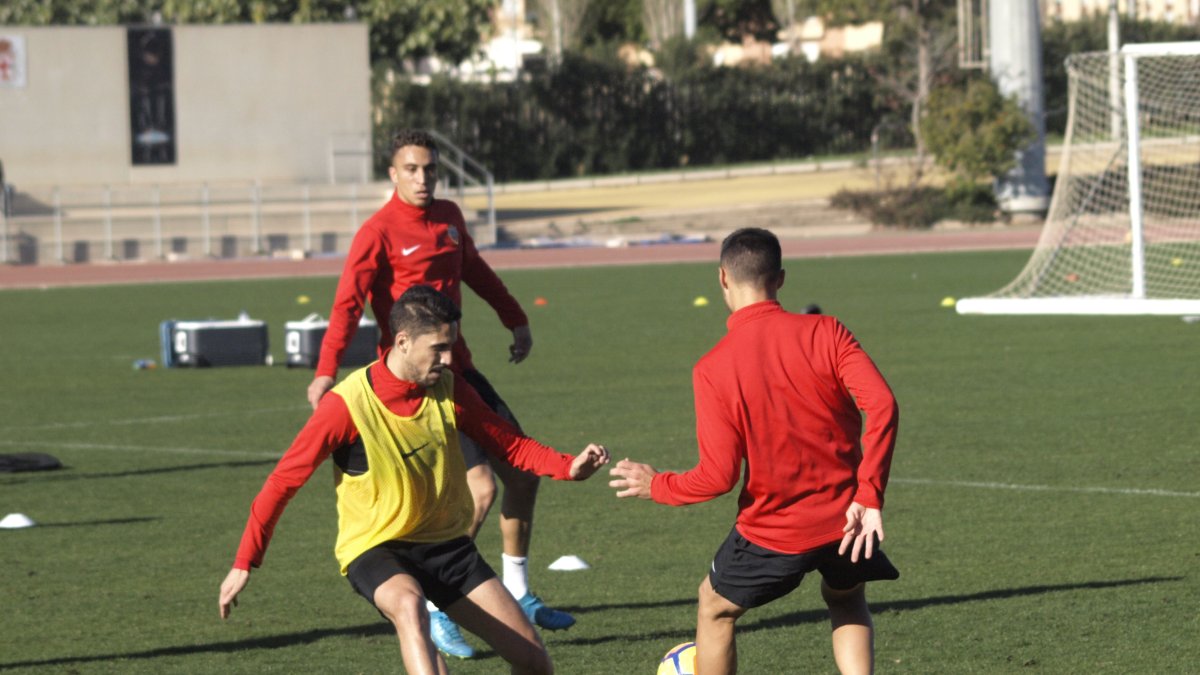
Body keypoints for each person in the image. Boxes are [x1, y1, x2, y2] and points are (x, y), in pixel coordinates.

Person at [219, 285, 610, 675]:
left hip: (446, 547)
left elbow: (511, 445)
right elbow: (282, 482)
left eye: (452, 345)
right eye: (438, 348)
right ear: (402, 342)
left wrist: (568, 467)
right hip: (376, 548)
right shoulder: (346, 405)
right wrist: (244, 561)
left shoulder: (451, 389)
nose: (448, 357)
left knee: (534, 661)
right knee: (408, 607)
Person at [307, 129, 572, 658]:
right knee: (480, 491)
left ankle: (518, 591)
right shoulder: (377, 231)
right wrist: (323, 371)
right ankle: (437, 606)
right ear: (393, 174)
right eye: (411, 169)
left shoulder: (450, 216)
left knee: (522, 476)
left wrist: (515, 318)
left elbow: (473, 268)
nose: (422, 179)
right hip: (421, 383)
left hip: (461, 369)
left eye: (429, 169)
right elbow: (346, 303)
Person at [608, 228, 900, 675]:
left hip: (774, 531)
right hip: (846, 518)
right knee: (845, 597)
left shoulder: (712, 368)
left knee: (714, 607)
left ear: (722, 279)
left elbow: (717, 477)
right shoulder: (828, 331)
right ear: (780, 279)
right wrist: (868, 495)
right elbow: (882, 404)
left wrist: (657, 485)